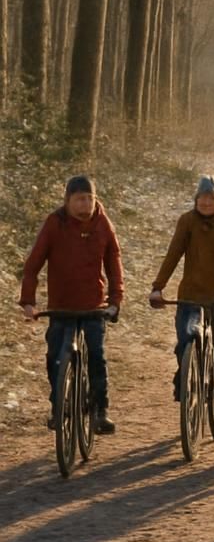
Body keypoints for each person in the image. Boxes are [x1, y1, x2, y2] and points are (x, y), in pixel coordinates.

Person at [20, 176, 124, 434]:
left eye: (90, 198)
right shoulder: (55, 223)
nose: (85, 204)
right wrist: (29, 302)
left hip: (93, 306)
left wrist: (115, 300)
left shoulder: (102, 223)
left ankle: (100, 411)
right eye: (79, 199)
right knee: (55, 358)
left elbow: (114, 261)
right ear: (67, 201)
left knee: (97, 357)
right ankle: (58, 408)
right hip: (61, 307)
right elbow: (33, 264)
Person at [150, 175, 214, 411]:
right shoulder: (187, 221)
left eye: (212, 199)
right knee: (185, 342)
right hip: (190, 296)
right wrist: (158, 287)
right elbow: (173, 254)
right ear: (196, 199)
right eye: (203, 199)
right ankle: (184, 383)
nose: (207, 204)